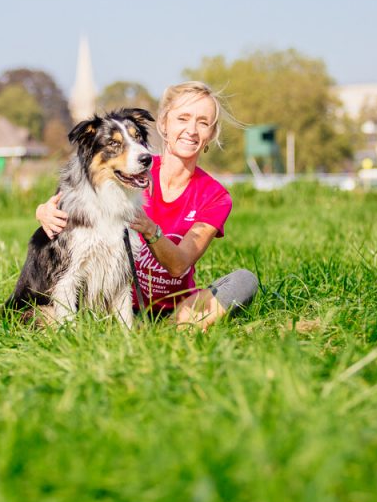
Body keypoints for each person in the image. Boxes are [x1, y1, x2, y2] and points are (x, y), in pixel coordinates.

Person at [36, 81, 258, 331]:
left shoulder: (215, 196)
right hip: (115, 300)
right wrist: (44, 211)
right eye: (183, 118)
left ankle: (173, 328)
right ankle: (139, 328)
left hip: (175, 306)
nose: (192, 130)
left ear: (211, 133)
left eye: (203, 122)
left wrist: (150, 230)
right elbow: (82, 191)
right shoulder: (126, 168)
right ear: (163, 124)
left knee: (244, 280)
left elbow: (179, 265)